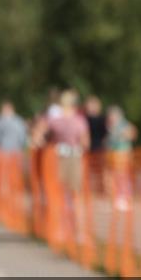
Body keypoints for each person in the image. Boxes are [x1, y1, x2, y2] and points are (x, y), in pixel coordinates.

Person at [46, 90, 90, 245]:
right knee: (75, 197)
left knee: (60, 196)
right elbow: (85, 143)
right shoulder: (79, 121)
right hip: (74, 159)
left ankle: (61, 230)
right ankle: (79, 233)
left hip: (58, 159)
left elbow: (44, 135)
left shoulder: (55, 120)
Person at [105, 105, 137, 212]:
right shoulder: (111, 125)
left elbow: (132, 134)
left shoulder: (124, 125)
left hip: (122, 154)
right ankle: (118, 197)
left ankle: (124, 198)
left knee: (122, 176)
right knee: (114, 176)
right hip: (114, 154)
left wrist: (122, 135)